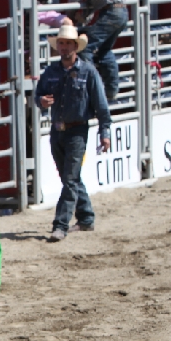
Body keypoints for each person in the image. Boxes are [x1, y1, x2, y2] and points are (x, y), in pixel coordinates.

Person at [34, 24, 112, 242]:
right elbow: (38, 95)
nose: (64, 47)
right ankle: (86, 217)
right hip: (57, 129)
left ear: (75, 46)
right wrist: (41, 101)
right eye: (61, 43)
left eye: (68, 43)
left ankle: (60, 225)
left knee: (69, 179)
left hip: (77, 130)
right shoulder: (51, 72)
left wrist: (105, 132)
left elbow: (101, 105)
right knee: (70, 177)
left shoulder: (88, 72)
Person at [68, 0, 127, 101]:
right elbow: (91, 0)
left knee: (85, 47)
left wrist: (68, 15)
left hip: (111, 12)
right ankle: (111, 90)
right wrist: (83, 18)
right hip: (119, 12)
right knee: (104, 50)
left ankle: (91, 87)